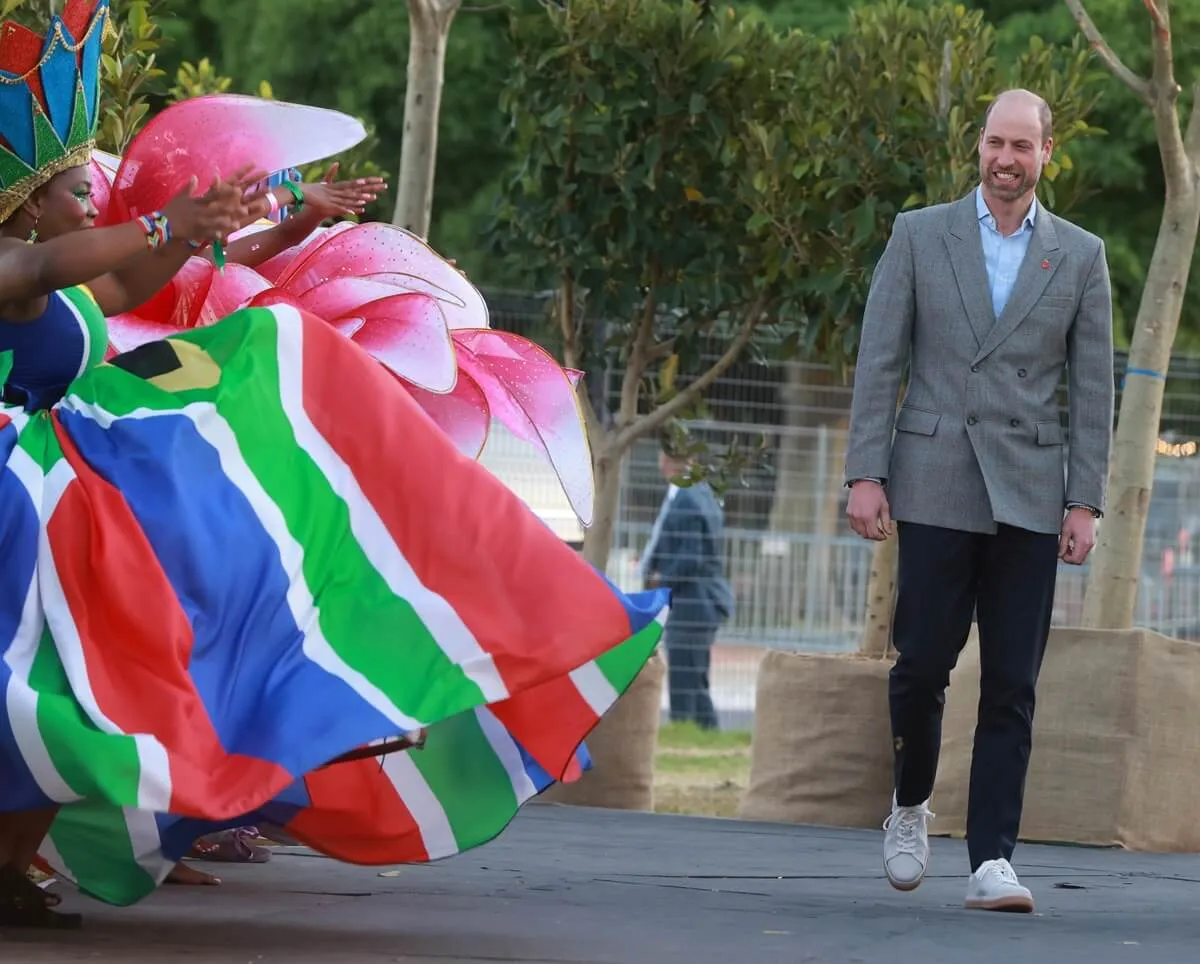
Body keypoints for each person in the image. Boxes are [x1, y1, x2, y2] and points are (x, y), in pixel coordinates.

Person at [0, 0, 666, 927]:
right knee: (46, 682)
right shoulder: (10, 266)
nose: (87, 202)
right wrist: (163, 228)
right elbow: (46, 274)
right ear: (30, 202)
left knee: (70, 687)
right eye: (75, 191)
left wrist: (192, 234)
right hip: (25, 503)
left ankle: (15, 860)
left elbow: (113, 284)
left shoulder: (57, 263)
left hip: (68, 493)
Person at [843, 88, 1114, 913]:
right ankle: (909, 806)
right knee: (921, 665)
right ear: (980, 147)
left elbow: (1093, 386)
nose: (1006, 159)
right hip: (933, 483)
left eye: (1022, 147)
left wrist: (1085, 500)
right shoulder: (920, 233)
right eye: (996, 143)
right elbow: (880, 355)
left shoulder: (1081, 254)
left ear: (1047, 154)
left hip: (1031, 496)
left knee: (1012, 684)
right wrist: (866, 471)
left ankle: (994, 857)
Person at [641, 438, 735, 729]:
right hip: (701, 602)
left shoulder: (686, 497)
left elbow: (690, 556)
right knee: (694, 680)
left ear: (667, 460)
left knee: (685, 681)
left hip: (693, 603)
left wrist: (660, 578)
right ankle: (706, 734)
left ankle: (688, 731)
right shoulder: (700, 492)